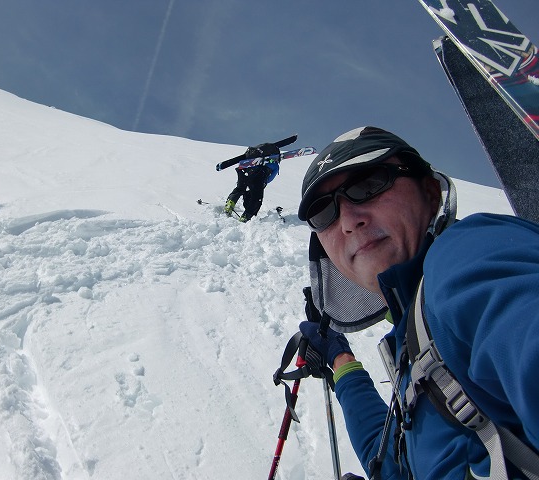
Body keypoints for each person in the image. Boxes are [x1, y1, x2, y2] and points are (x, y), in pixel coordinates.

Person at [294, 126, 539, 479]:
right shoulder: (416, 339)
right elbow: (392, 462)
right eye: (323, 213)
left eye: (368, 184)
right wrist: (341, 360)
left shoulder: (465, 255)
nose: (347, 221)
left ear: (429, 191)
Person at [224, 142, 281, 222]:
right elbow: (270, 178)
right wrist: (263, 183)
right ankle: (246, 216)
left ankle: (230, 204)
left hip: (243, 169)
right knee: (257, 197)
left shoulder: (253, 157)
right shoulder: (274, 164)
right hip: (259, 174)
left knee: (240, 188)